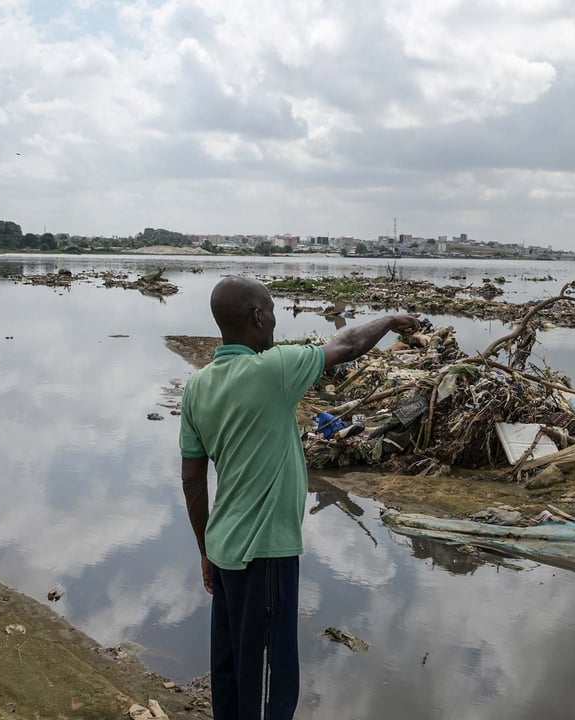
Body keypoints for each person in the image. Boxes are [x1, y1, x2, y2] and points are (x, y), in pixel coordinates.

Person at [178, 276, 419, 720]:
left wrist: (204, 550)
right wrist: (389, 320)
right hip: (264, 552)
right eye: (272, 310)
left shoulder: (197, 387)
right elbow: (347, 344)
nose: (275, 319)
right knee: (271, 682)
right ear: (257, 316)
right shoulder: (275, 369)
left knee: (231, 671)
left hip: (224, 548)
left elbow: (192, 479)